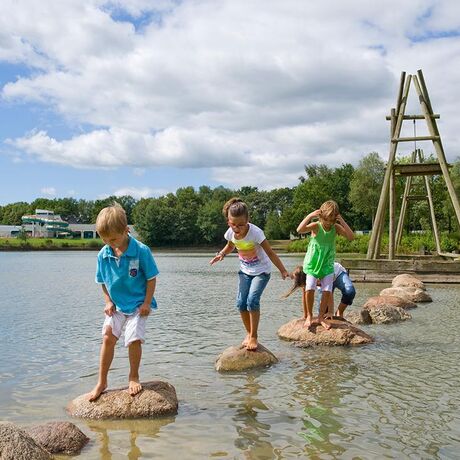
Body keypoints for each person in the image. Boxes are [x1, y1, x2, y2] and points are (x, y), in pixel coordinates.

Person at [88, 203, 159, 401]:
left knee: (133, 338)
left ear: (126, 231)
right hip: (117, 304)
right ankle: (102, 381)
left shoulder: (141, 251)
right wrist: (107, 301)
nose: (110, 243)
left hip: (138, 304)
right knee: (108, 336)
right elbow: (102, 282)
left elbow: (151, 278)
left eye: (114, 239)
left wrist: (146, 303)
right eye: (105, 240)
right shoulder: (103, 255)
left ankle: (133, 376)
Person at [209, 198, 290, 351]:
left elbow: (271, 253)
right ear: (228, 222)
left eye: (241, 224)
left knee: (252, 300)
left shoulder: (256, 233)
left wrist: (283, 270)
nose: (237, 228)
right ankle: (248, 333)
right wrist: (221, 254)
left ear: (248, 220)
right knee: (241, 303)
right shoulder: (231, 233)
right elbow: (230, 245)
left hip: (261, 272)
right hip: (245, 272)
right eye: (233, 224)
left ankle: (254, 336)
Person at [296, 200, 354, 330]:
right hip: (313, 264)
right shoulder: (316, 226)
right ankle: (310, 316)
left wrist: (342, 221)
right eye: (326, 220)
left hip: (327, 264)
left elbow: (351, 237)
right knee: (309, 288)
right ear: (321, 217)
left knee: (327, 290)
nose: (328, 223)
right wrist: (310, 215)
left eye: (332, 220)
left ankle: (321, 317)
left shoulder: (336, 228)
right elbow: (299, 230)